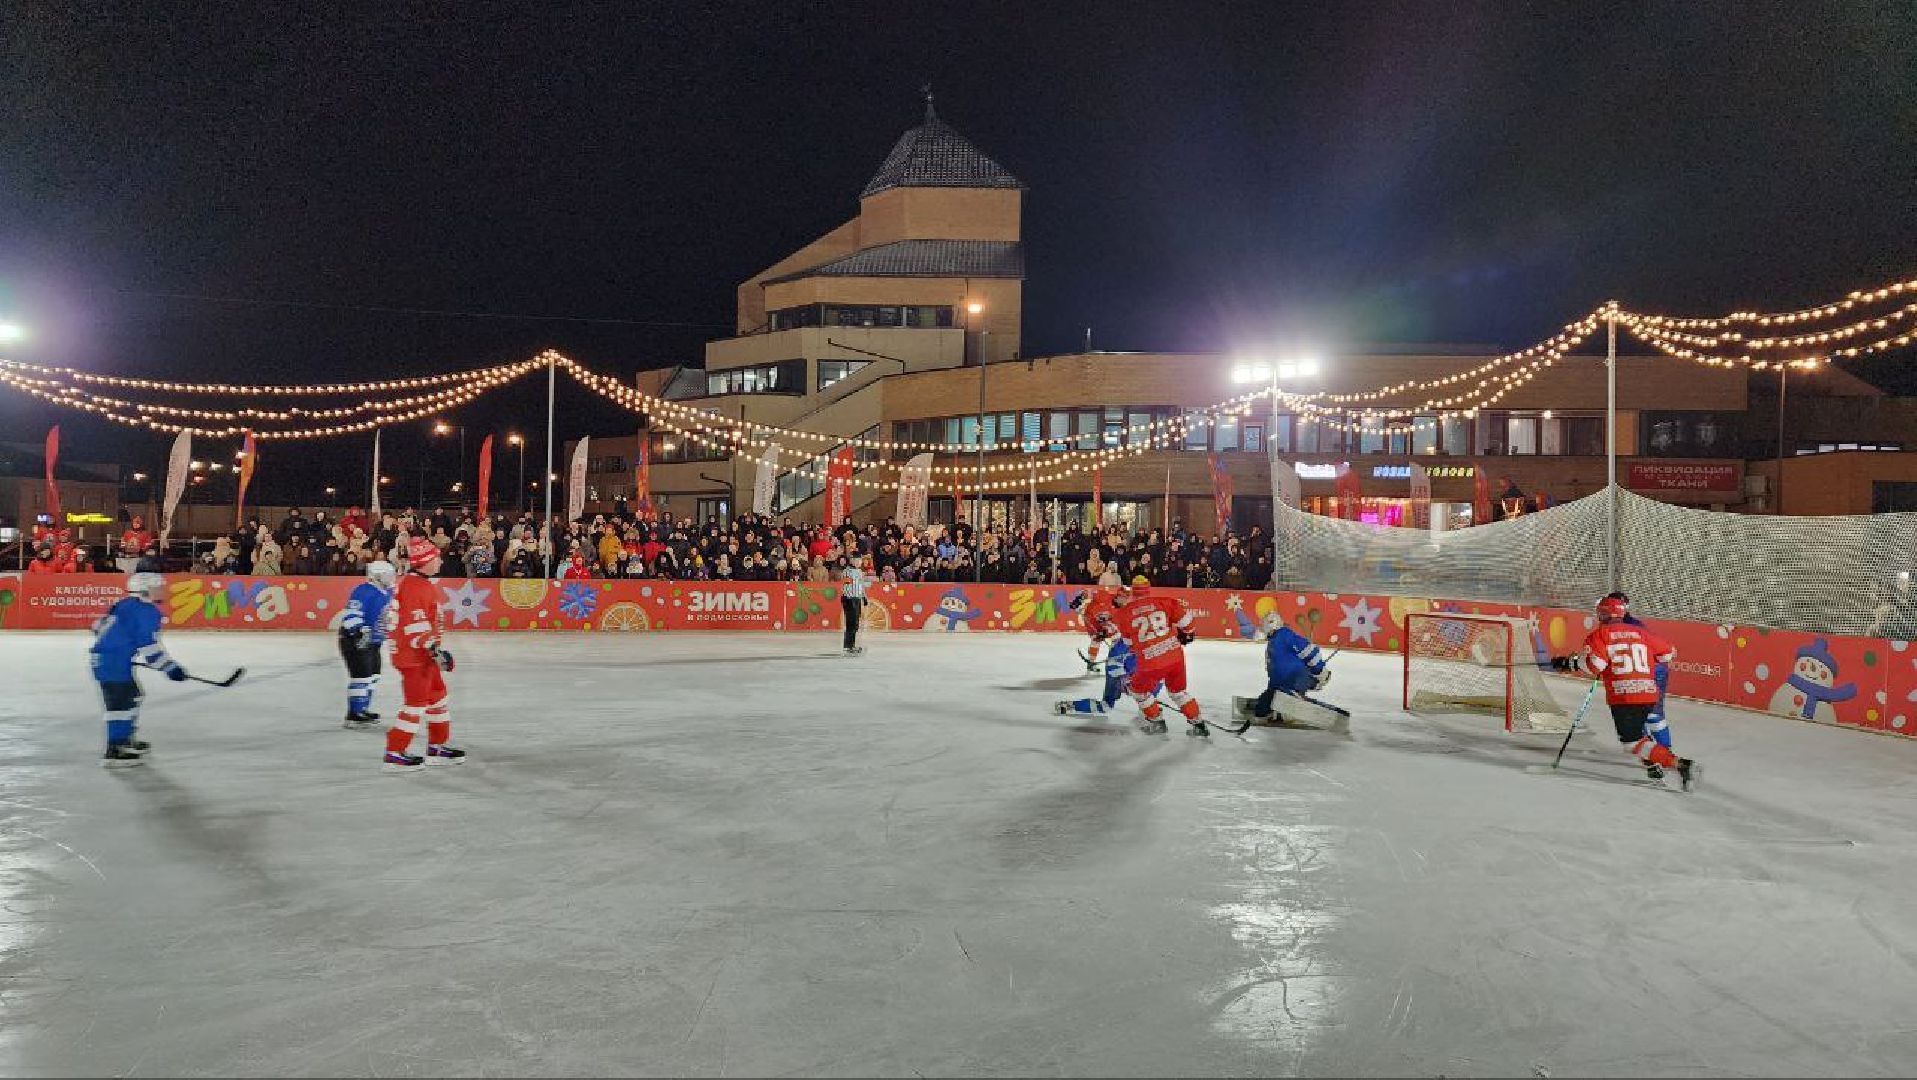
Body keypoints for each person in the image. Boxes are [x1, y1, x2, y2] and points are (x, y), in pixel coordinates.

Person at [1580, 595, 1697, 789]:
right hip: (1648, 688)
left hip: (1624, 694)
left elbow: (1596, 666)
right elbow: (1668, 653)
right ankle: (1659, 759)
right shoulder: (1638, 629)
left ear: (1604, 614)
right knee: (1649, 722)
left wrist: (1573, 662)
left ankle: (1675, 763)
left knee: (1632, 741)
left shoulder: (1600, 634)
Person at [88, 572, 188, 767]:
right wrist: (170, 668)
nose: (162, 589)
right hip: (113, 662)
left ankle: (125, 738)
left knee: (133, 695)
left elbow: (97, 627)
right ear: (145, 590)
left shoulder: (124, 604)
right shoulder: (147, 611)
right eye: (157, 586)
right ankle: (115, 749)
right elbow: (149, 648)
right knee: (119, 705)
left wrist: (120, 649)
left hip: (106, 659)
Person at [383, 536, 465, 773]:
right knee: (415, 704)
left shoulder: (417, 584)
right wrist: (434, 650)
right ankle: (394, 752)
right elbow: (413, 625)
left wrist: (433, 652)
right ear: (425, 562)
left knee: (438, 698)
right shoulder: (414, 587)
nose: (440, 561)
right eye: (436, 558)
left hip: (423, 657)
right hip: (414, 658)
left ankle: (437, 747)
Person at [1110, 582, 1208, 736]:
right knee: (1178, 692)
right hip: (1175, 656)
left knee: (1138, 691)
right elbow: (1188, 624)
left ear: (1132, 593)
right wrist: (1187, 634)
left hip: (1151, 663)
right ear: (1148, 590)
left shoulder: (1123, 614)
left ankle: (1157, 722)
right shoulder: (1164, 601)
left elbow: (1130, 645)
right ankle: (1199, 724)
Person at [1236, 613, 1346, 728]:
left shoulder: (1285, 635)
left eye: (1264, 625)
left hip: (1297, 679)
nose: (1262, 628)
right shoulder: (1273, 641)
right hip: (1282, 683)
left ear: (1271, 624)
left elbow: (1309, 650)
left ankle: (1290, 703)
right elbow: (1276, 671)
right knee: (1264, 702)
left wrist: (1319, 671)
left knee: (1274, 700)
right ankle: (1276, 710)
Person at [338, 560, 397, 731]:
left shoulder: (386, 591)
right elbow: (352, 613)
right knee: (361, 677)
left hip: (374, 641)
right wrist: (358, 633)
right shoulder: (364, 590)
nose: (391, 577)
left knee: (373, 676)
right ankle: (354, 715)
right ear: (377, 576)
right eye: (388, 574)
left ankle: (363, 709)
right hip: (356, 639)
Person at [840, 555, 871, 655]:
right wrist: (849, 598)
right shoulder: (847, 571)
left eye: (860, 560)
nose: (859, 562)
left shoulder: (859, 572)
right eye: (857, 560)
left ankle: (851, 645)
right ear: (852, 561)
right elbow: (846, 586)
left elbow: (861, 585)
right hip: (849, 599)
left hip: (856, 599)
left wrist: (864, 597)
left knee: (855, 624)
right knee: (851, 623)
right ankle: (848, 646)